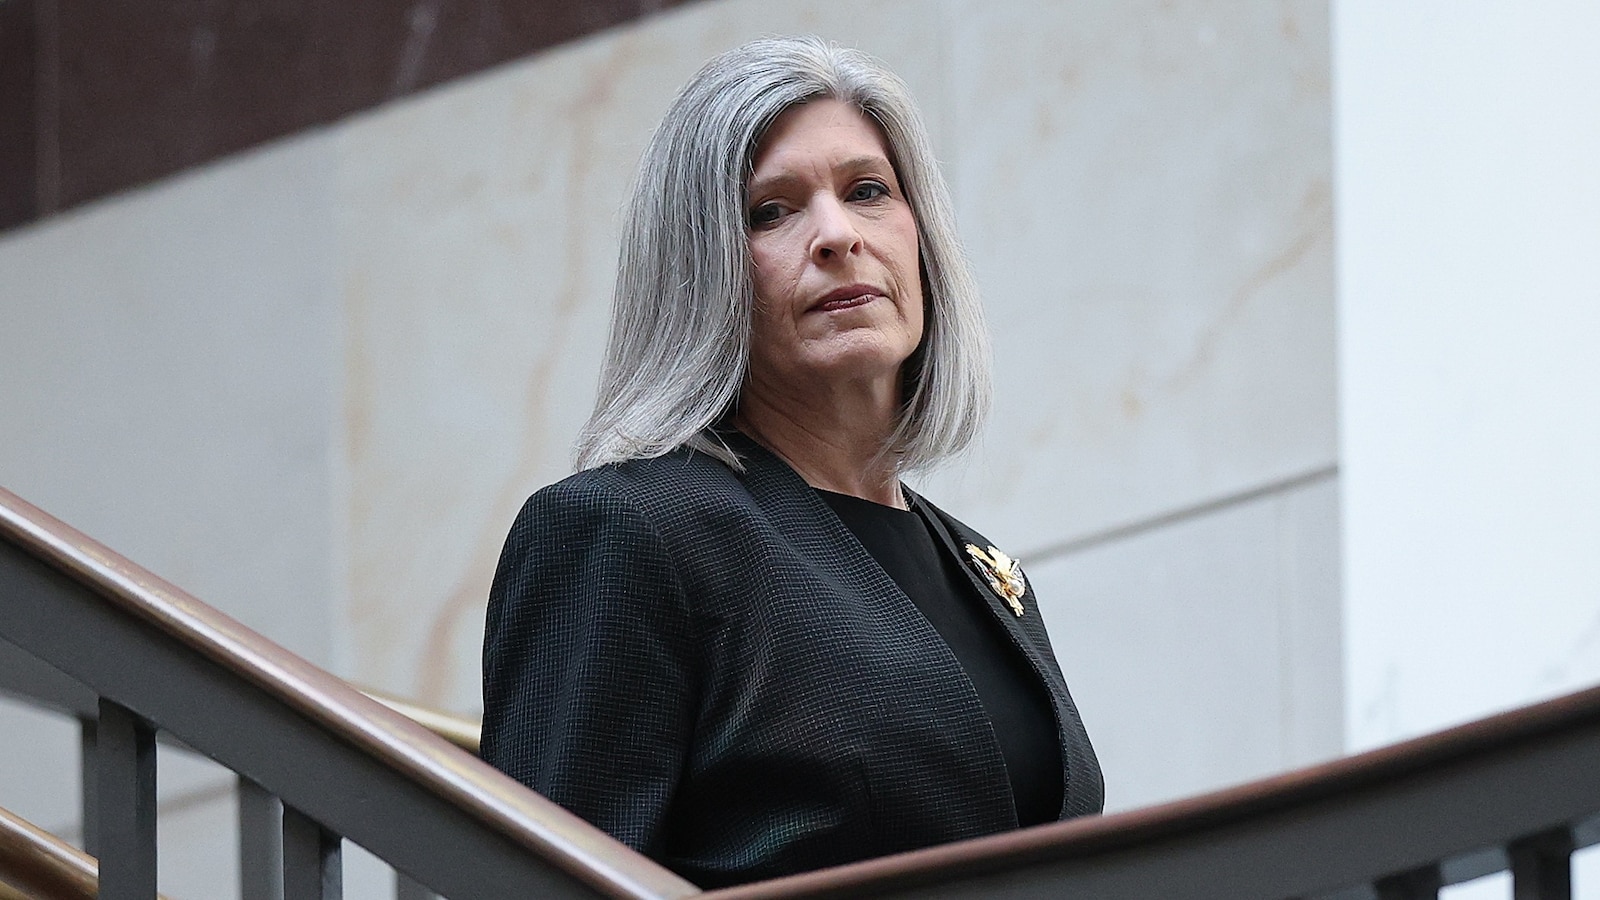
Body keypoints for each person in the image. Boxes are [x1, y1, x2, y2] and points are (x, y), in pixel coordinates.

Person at [480, 36, 1103, 889]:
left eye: (868, 191)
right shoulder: (626, 529)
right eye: (771, 211)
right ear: (699, 270)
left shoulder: (984, 568)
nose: (837, 235)